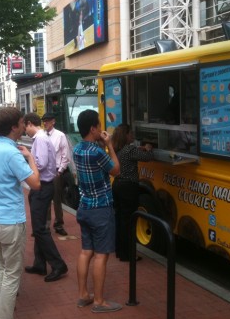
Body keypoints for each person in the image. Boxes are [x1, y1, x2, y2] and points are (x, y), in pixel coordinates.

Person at [0, 107, 40, 319]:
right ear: (14, 127)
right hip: (10, 221)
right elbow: (36, 183)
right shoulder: (12, 152)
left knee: (2, 269)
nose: (24, 125)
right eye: (22, 122)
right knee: (12, 275)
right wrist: (30, 157)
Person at [72, 109, 122, 313]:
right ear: (93, 128)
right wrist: (110, 144)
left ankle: (83, 295)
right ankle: (99, 301)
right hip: (101, 209)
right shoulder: (98, 152)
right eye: (99, 125)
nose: (101, 128)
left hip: (84, 207)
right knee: (101, 255)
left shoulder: (77, 149)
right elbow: (116, 170)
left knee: (86, 252)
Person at [24, 113, 68, 282]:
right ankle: (40, 263)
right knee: (39, 227)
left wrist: (28, 157)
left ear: (29, 124)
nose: (24, 131)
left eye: (24, 126)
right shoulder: (42, 138)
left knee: (40, 229)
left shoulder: (40, 139)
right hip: (42, 186)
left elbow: (40, 163)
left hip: (42, 186)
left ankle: (58, 264)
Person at [111, 124, 153, 262]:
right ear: (126, 135)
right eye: (131, 133)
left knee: (119, 219)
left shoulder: (117, 148)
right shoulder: (129, 149)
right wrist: (148, 148)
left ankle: (120, 251)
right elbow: (148, 157)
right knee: (129, 221)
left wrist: (138, 148)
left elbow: (133, 152)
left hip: (117, 185)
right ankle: (129, 254)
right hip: (128, 187)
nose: (133, 135)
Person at [42, 112, 70, 236]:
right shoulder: (42, 136)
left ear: (53, 121)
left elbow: (66, 154)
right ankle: (46, 225)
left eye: (47, 121)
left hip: (55, 171)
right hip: (44, 172)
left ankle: (59, 224)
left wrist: (60, 171)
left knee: (57, 199)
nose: (45, 123)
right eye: (44, 121)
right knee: (45, 199)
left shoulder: (60, 135)